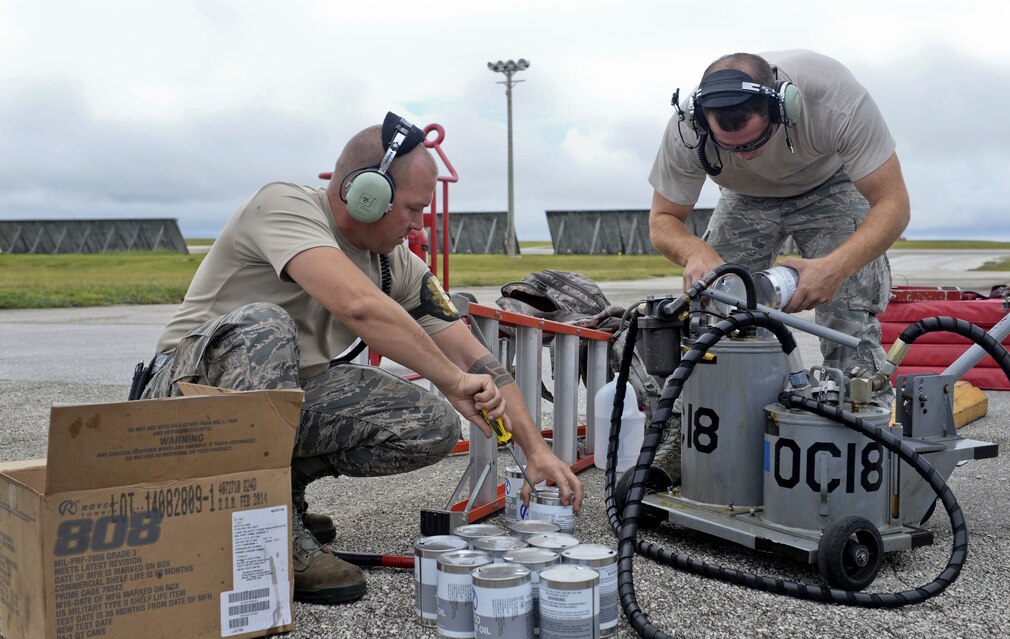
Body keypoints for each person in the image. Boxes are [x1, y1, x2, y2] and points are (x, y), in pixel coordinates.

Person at [141, 113, 583, 605]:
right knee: (263, 326)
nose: (419, 225)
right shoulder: (282, 205)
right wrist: (452, 380)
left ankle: (279, 490)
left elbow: (477, 358)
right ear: (365, 194)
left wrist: (535, 450)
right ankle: (263, 525)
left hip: (270, 406)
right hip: (179, 402)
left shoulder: (398, 265)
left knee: (430, 423)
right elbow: (358, 305)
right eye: (412, 210)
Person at [646, 50, 909, 478]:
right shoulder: (685, 129)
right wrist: (696, 251)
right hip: (744, 199)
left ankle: (862, 436)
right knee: (714, 304)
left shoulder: (834, 99)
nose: (746, 155)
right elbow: (662, 220)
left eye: (754, 142)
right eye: (731, 148)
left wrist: (835, 267)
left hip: (831, 184)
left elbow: (894, 204)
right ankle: (690, 431)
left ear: (784, 106)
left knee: (848, 314)